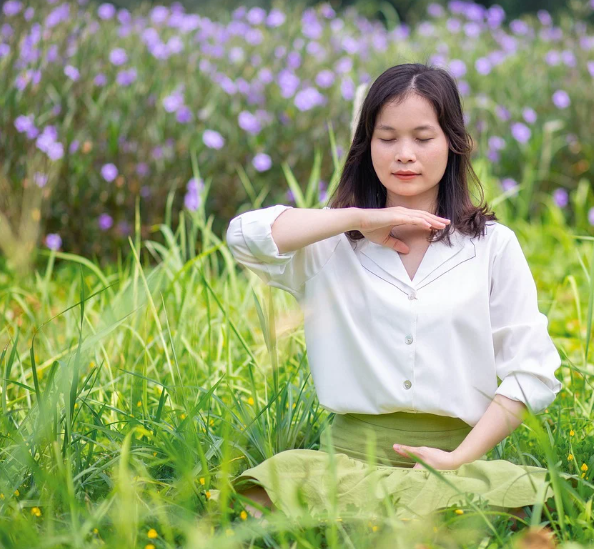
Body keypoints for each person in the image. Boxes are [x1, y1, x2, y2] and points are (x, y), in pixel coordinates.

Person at [216, 63, 563, 523]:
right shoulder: (331, 243)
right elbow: (245, 236)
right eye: (387, 138)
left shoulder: (492, 247)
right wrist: (356, 218)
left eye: (422, 138)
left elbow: (531, 373)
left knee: (526, 514)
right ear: (367, 145)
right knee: (254, 508)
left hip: (457, 466)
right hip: (341, 467)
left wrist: (459, 458)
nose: (404, 154)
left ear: (453, 143)